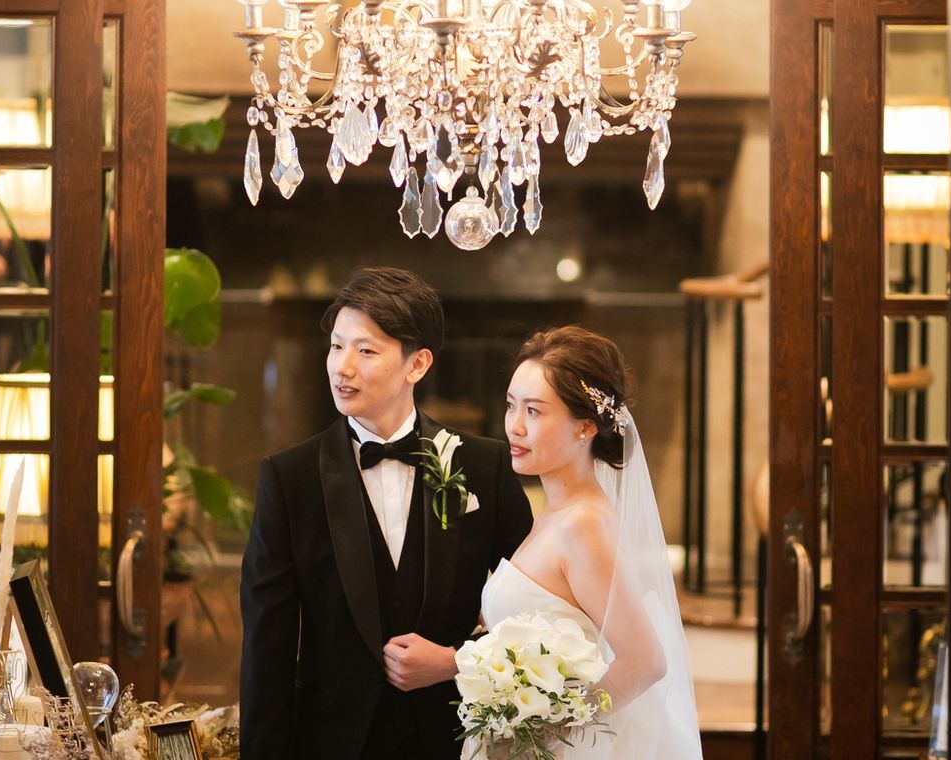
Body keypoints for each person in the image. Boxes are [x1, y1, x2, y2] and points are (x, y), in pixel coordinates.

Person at [240, 266, 534, 760]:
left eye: (366, 351)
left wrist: (458, 660)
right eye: (336, 346)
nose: (342, 367)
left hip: (455, 740)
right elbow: (266, 649)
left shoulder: (485, 467)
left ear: (417, 364)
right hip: (330, 744)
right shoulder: (289, 480)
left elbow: (539, 613)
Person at [478, 325, 702, 759]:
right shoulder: (557, 513)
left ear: (584, 427)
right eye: (510, 406)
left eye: (534, 411)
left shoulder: (582, 525)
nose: (514, 427)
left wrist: (543, 727)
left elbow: (646, 661)